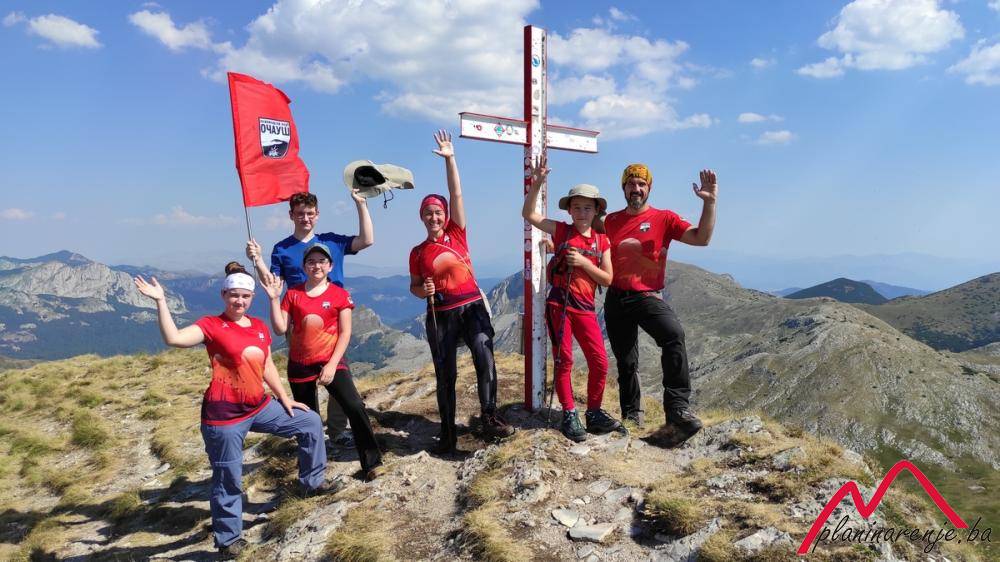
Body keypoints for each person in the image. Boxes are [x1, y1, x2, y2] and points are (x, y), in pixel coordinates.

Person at [133, 262, 333, 558]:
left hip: (259, 406)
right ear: (224, 295)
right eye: (234, 295)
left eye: (245, 296)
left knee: (310, 422)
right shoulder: (210, 325)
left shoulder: (259, 327)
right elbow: (174, 339)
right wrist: (161, 301)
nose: (239, 301)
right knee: (229, 476)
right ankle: (229, 541)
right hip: (223, 417)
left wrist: (284, 398)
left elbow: (266, 364)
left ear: (252, 298)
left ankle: (312, 484)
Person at [409, 130, 515, 454]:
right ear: (421, 217)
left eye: (438, 212)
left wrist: (450, 158)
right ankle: (447, 433)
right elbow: (414, 287)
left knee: (484, 352)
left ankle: (489, 416)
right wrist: (423, 289)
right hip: (440, 315)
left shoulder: (457, 233)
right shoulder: (417, 252)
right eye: (428, 213)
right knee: (446, 375)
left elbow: (456, 194)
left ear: (446, 215)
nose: (434, 217)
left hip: (472, 307)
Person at [595, 163, 717, 440]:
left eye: (642, 184)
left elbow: (702, 238)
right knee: (626, 362)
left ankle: (677, 409)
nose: (636, 189)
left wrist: (709, 203)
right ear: (623, 188)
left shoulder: (664, 218)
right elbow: (584, 231)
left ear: (649, 188)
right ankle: (631, 417)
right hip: (615, 298)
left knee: (673, 335)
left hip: (647, 296)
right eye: (631, 184)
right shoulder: (609, 221)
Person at [246, 189, 373, 448]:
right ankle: (312, 434)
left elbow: (366, 240)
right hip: (298, 318)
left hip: (335, 315)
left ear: (317, 215)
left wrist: (361, 205)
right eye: (301, 214)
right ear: (291, 215)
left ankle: (336, 431)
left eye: (310, 213)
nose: (306, 218)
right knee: (304, 376)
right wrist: (257, 260)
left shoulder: (331, 241)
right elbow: (273, 282)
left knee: (338, 374)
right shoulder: (282, 248)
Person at [261, 242, 385, 481]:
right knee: (308, 419)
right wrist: (274, 299)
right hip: (300, 364)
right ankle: (312, 474)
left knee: (355, 406)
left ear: (330, 266)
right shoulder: (293, 294)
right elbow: (280, 329)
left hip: (332, 361)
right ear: (304, 266)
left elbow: (345, 333)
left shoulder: (339, 294)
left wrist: (331, 365)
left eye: (321, 261)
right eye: (311, 261)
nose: (316, 265)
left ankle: (372, 463)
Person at [521, 156, 622, 442]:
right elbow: (529, 214)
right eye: (576, 207)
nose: (581, 212)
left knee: (600, 362)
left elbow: (608, 278)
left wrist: (584, 263)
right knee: (564, 360)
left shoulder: (602, 241)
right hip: (560, 306)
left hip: (585, 308)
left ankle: (594, 412)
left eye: (587, 207)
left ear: (596, 210)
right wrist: (537, 182)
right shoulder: (562, 230)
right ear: (569, 210)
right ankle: (569, 413)